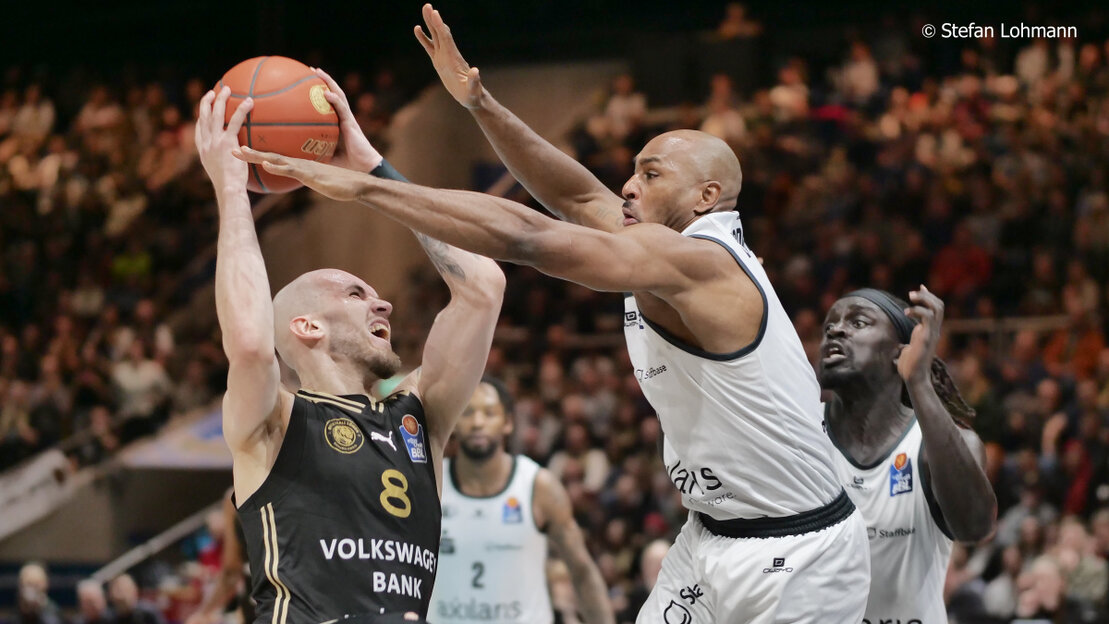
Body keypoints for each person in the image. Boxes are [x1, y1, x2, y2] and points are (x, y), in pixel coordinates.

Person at [234, 6, 870, 621]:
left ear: (705, 196)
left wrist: (367, 188)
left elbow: (527, 237)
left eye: (650, 175)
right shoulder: (657, 243)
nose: (628, 186)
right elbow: (576, 196)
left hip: (802, 548)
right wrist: (478, 104)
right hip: (712, 534)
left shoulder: (702, 263)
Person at [194, 62, 504, 623]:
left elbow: (483, 286)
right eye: (356, 294)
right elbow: (251, 344)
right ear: (307, 327)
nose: (383, 305)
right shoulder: (275, 422)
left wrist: (371, 170)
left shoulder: (419, 416)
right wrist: (232, 189)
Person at [819, 286, 997, 623]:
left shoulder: (942, 444)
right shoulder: (800, 435)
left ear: (899, 352)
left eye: (858, 323)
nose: (836, 330)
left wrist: (919, 382)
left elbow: (974, 528)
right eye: (829, 325)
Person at [428, 377, 613, 624]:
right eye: (467, 412)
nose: (478, 422)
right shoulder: (431, 482)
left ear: (508, 423)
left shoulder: (538, 486)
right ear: (454, 422)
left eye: (489, 413)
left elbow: (582, 571)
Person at [184, 489, 253, 624]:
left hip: (264, 605)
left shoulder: (233, 498)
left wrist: (203, 613)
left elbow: (231, 572)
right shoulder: (289, 488)